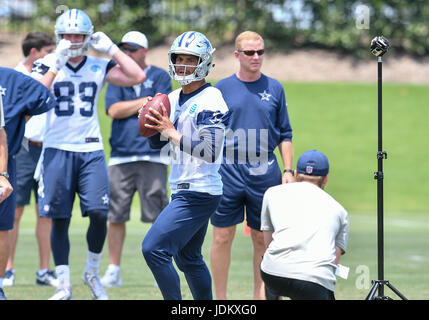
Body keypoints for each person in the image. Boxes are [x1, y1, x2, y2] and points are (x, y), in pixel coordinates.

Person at [32, 8, 145, 300]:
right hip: (57, 147)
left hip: (90, 148)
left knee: (98, 212)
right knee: (60, 218)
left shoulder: (98, 64)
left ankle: (92, 272)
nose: (72, 40)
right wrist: (55, 64)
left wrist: (111, 49)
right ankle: (65, 284)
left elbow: (137, 75)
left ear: (87, 36)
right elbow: (35, 98)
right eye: (68, 35)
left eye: (78, 35)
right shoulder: (47, 62)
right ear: (59, 37)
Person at [141, 31, 229, 300]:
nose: (183, 65)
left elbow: (210, 151)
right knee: (188, 258)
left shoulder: (211, 98)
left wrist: (171, 131)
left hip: (200, 190)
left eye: (190, 60)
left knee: (153, 249)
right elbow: (156, 145)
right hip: (182, 187)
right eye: (179, 59)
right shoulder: (173, 96)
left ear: (203, 62)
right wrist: (151, 121)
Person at [209, 30, 294, 300]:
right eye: (250, 52)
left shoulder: (275, 87)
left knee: (262, 239)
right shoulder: (221, 88)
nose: (256, 57)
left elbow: (285, 134)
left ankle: (261, 298)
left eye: (260, 51)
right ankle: (219, 299)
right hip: (228, 171)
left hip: (264, 172)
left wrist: (288, 170)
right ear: (237, 55)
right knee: (222, 236)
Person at [101, 31, 171, 287]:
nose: (127, 53)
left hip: (154, 155)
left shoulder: (161, 75)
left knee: (158, 215)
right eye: (124, 49)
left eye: (132, 49)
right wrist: (145, 101)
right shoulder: (117, 77)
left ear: (144, 50)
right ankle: (113, 269)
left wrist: (145, 105)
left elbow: (164, 108)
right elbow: (114, 110)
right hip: (121, 155)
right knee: (116, 214)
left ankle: (161, 268)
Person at [3, 31, 58, 288]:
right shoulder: (14, 77)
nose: (52, 55)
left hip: (47, 147)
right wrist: (51, 71)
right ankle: (8, 269)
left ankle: (44, 270)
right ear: (34, 52)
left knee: (44, 212)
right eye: (47, 51)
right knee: (13, 211)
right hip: (21, 149)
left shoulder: (54, 69)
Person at [260, 150, 349, 300]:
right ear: (326, 178)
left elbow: (268, 244)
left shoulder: (272, 193)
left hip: (273, 275)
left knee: (269, 263)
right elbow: (333, 261)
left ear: (295, 174)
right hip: (313, 280)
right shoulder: (340, 211)